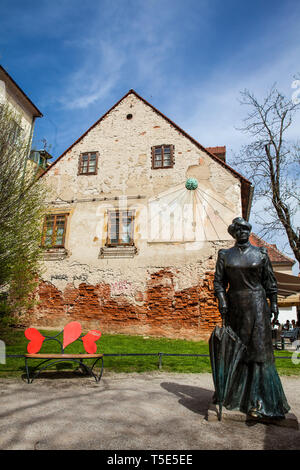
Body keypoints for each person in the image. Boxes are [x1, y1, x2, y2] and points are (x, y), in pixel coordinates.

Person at [214, 217, 290, 419]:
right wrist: (222, 300)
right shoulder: (225, 255)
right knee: (236, 351)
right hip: (235, 307)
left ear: (249, 231)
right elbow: (219, 283)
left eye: (245, 229)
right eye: (237, 230)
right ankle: (233, 395)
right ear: (233, 233)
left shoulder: (261, 254)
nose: (242, 232)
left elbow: (270, 281)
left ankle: (259, 400)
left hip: (257, 304)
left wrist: (273, 302)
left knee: (258, 351)